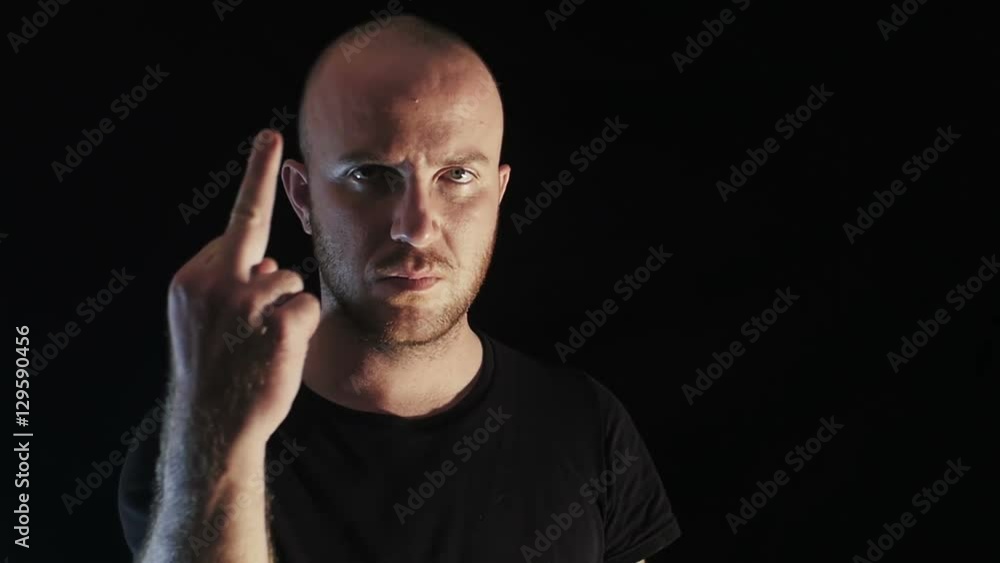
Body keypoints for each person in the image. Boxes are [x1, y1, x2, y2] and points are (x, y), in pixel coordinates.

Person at [118, 13, 680, 563]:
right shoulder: (192, 446)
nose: (415, 226)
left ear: (498, 195)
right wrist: (220, 444)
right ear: (303, 197)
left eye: (457, 176)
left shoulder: (586, 426)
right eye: (371, 175)